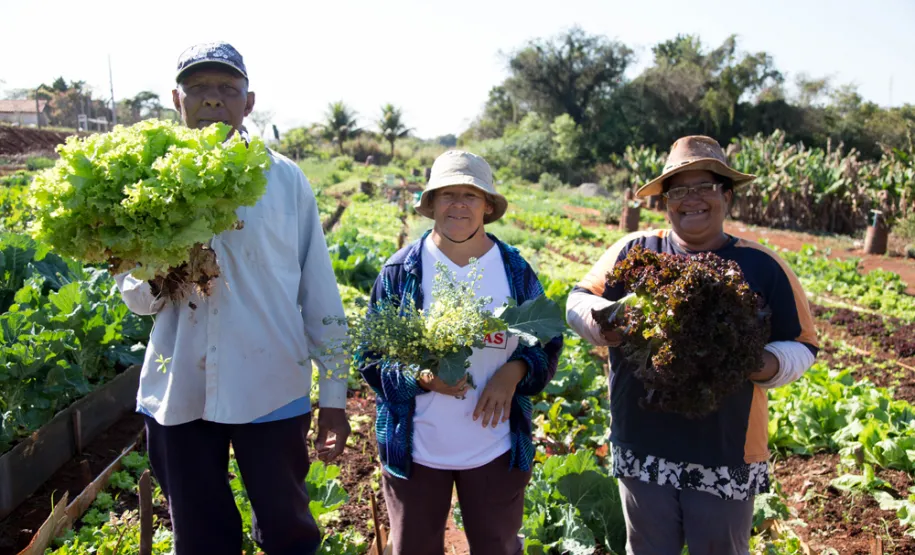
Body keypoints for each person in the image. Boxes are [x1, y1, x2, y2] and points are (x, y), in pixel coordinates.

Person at [114, 41, 351, 555]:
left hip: (271, 387)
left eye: (228, 88)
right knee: (199, 538)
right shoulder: (145, 180)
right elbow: (136, 298)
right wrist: (161, 262)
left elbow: (319, 291)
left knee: (289, 532)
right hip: (181, 392)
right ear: (177, 100)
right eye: (199, 88)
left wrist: (334, 396)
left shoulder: (285, 181)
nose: (213, 99)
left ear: (249, 101)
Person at [566, 135, 819, 555]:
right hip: (643, 446)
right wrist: (603, 323)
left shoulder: (763, 265)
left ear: (726, 195)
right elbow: (578, 300)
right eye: (679, 190)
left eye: (704, 187)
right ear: (666, 202)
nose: (692, 200)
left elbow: (804, 345)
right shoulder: (635, 250)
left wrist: (763, 363)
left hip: (726, 452)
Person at [357, 150, 563, 555]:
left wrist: (515, 370)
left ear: (487, 206)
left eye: (470, 195)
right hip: (416, 452)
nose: (458, 204)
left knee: (498, 546)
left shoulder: (514, 270)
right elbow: (370, 357)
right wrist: (423, 377)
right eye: (447, 194)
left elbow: (548, 338)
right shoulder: (401, 271)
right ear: (431, 203)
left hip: (495, 449)